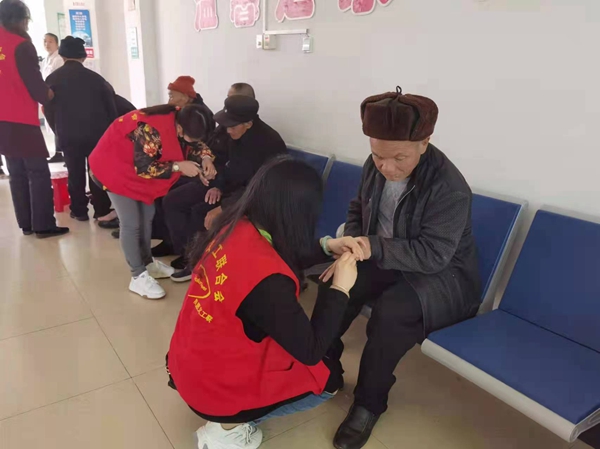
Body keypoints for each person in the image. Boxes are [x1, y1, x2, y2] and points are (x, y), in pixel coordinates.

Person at [167, 157, 366, 449]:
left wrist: (326, 246)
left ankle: (227, 415)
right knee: (328, 380)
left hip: (188, 362)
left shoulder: (234, 226)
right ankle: (227, 428)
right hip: (211, 388)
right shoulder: (268, 282)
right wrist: (340, 288)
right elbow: (311, 350)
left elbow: (279, 250)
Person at [325, 87, 481, 449]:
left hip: (441, 276)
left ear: (424, 143)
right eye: (378, 155)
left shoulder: (449, 188)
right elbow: (357, 209)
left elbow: (434, 255)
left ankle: (369, 403)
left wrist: (373, 246)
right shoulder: (374, 166)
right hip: (386, 256)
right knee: (336, 282)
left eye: (399, 157)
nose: (387, 167)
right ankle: (324, 363)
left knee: (391, 313)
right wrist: (352, 242)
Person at [89, 104, 217, 299]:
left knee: (147, 215)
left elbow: (196, 144)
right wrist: (178, 166)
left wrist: (206, 158)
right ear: (180, 128)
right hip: (113, 167)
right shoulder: (151, 129)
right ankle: (137, 275)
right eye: (192, 138)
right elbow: (145, 168)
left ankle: (148, 263)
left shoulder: (184, 119)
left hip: (135, 168)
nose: (195, 143)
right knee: (131, 222)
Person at [151, 82, 256, 258]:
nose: (228, 103)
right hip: (209, 174)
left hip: (222, 184)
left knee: (179, 201)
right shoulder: (225, 123)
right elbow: (211, 150)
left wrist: (218, 186)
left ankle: (187, 253)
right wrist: (205, 161)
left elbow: (240, 175)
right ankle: (171, 242)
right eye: (228, 99)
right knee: (165, 187)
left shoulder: (247, 134)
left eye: (233, 99)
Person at [0, 0, 69, 238]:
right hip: (21, 120)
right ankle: (43, 225)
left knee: (16, 171)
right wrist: (50, 94)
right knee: (37, 172)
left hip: (2, 119)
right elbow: (35, 86)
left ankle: (27, 224)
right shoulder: (21, 45)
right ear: (19, 20)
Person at [44, 36, 119, 227]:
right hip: (96, 134)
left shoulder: (52, 79)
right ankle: (101, 210)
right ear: (83, 57)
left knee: (75, 172)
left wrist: (57, 129)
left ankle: (79, 211)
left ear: (62, 55)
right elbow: (111, 107)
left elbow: (48, 110)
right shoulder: (97, 79)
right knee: (96, 172)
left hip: (68, 134)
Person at [41, 32, 65, 164]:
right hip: (47, 97)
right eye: (45, 41)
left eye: (50, 41)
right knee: (52, 125)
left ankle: (61, 152)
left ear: (57, 44)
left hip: (56, 96)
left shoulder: (58, 59)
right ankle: (58, 152)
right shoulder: (46, 59)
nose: (47, 44)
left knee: (58, 125)